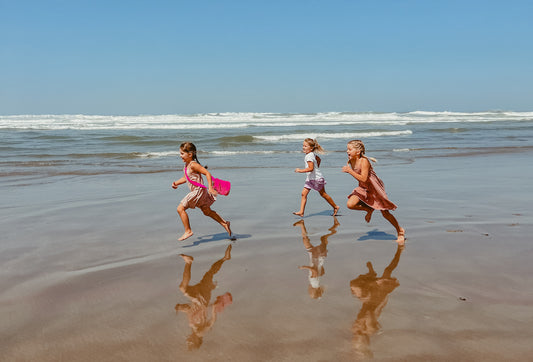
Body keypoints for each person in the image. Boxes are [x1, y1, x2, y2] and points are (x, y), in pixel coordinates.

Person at [342, 140, 405, 244]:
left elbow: (363, 178)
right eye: (347, 149)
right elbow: (361, 181)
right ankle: (369, 209)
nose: (347, 151)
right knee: (350, 204)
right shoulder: (350, 161)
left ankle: (400, 231)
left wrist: (350, 171)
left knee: (385, 212)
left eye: (349, 149)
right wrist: (350, 171)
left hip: (374, 188)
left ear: (358, 151)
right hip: (363, 187)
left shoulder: (364, 161)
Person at [350, 244, 404, 358]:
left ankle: (371, 274)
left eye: (354, 341)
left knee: (355, 285)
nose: (354, 339)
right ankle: (400, 250)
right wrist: (362, 323)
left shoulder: (356, 330)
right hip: (377, 299)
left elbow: (363, 313)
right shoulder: (370, 329)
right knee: (387, 271)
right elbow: (369, 313)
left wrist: (358, 325)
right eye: (356, 341)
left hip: (368, 301)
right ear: (365, 341)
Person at [175, 245, 233, 350]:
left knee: (209, 274)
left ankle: (225, 258)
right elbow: (211, 323)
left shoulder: (194, 329)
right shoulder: (199, 333)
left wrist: (182, 308)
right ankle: (189, 262)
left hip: (198, 300)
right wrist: (214, 310)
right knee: (183, 288)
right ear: (196, 341)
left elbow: (192, 311)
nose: (187, 340)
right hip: (201, 300)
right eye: (189, 342)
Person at [171, 142, 232, 241]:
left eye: (182, 153)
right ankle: (224, 223)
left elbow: (207, 173)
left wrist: (210, 188)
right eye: (180, 153)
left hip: (197, 191)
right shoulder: (187, 165)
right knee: (207, 211)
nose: (180, 155)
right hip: (200, 192)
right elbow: (186, 178)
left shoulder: (193, 165)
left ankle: (188, 231)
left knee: (180, 209)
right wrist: (176, 183)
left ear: (190, 154)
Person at [294, 217, 339, 299]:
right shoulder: (314, 283)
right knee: (322, 239)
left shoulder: (317, 284)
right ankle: (335, 227)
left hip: (317, 257)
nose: (308, 292)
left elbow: (321, 272)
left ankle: (301, 224)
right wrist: (304, 267)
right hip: (317, 256)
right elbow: (314, 271)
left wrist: (320, 268)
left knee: (311, 239)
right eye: (310, 293)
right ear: (314, 291)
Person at [293, 138, 340, 217]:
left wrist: (300, 170)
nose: (303, 147)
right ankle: (301, 212)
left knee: (323, 194)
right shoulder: (311, 155)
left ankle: (335, 207)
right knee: (303, 194)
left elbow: (310, 168)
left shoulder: (309, 156)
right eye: (303, 145)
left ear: (311, 148)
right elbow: (318, 159)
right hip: (310, 179)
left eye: (305, 146)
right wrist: (317, 168)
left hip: (316, 179)